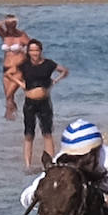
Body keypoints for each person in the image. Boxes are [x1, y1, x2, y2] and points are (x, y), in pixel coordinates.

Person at [9, 39, 68, 169]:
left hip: (44, 102)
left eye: (36, 50)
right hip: (30, 103)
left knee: (47, 133)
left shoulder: (48, 64)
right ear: (28, 52)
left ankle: (50, 164)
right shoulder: (24, 65)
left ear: (40, 51)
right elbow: (10, 74)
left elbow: (64, 71)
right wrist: (21, 84)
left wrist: (55, 81)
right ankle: (28, 166)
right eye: (31, 50)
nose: (34, 53)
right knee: (29, 135)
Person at [0, 14, 30, 120]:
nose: (9, 25)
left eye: (12, 23)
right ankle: (11, 121)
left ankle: (12, 117)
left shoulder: (21, 35)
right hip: (6, 69)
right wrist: (6, 20)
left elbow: (33, 47)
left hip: (18, 69)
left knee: (9, 95)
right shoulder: (4, 35)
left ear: (15, 24)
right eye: (8, 23)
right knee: (9, 99)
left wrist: (24, 53)